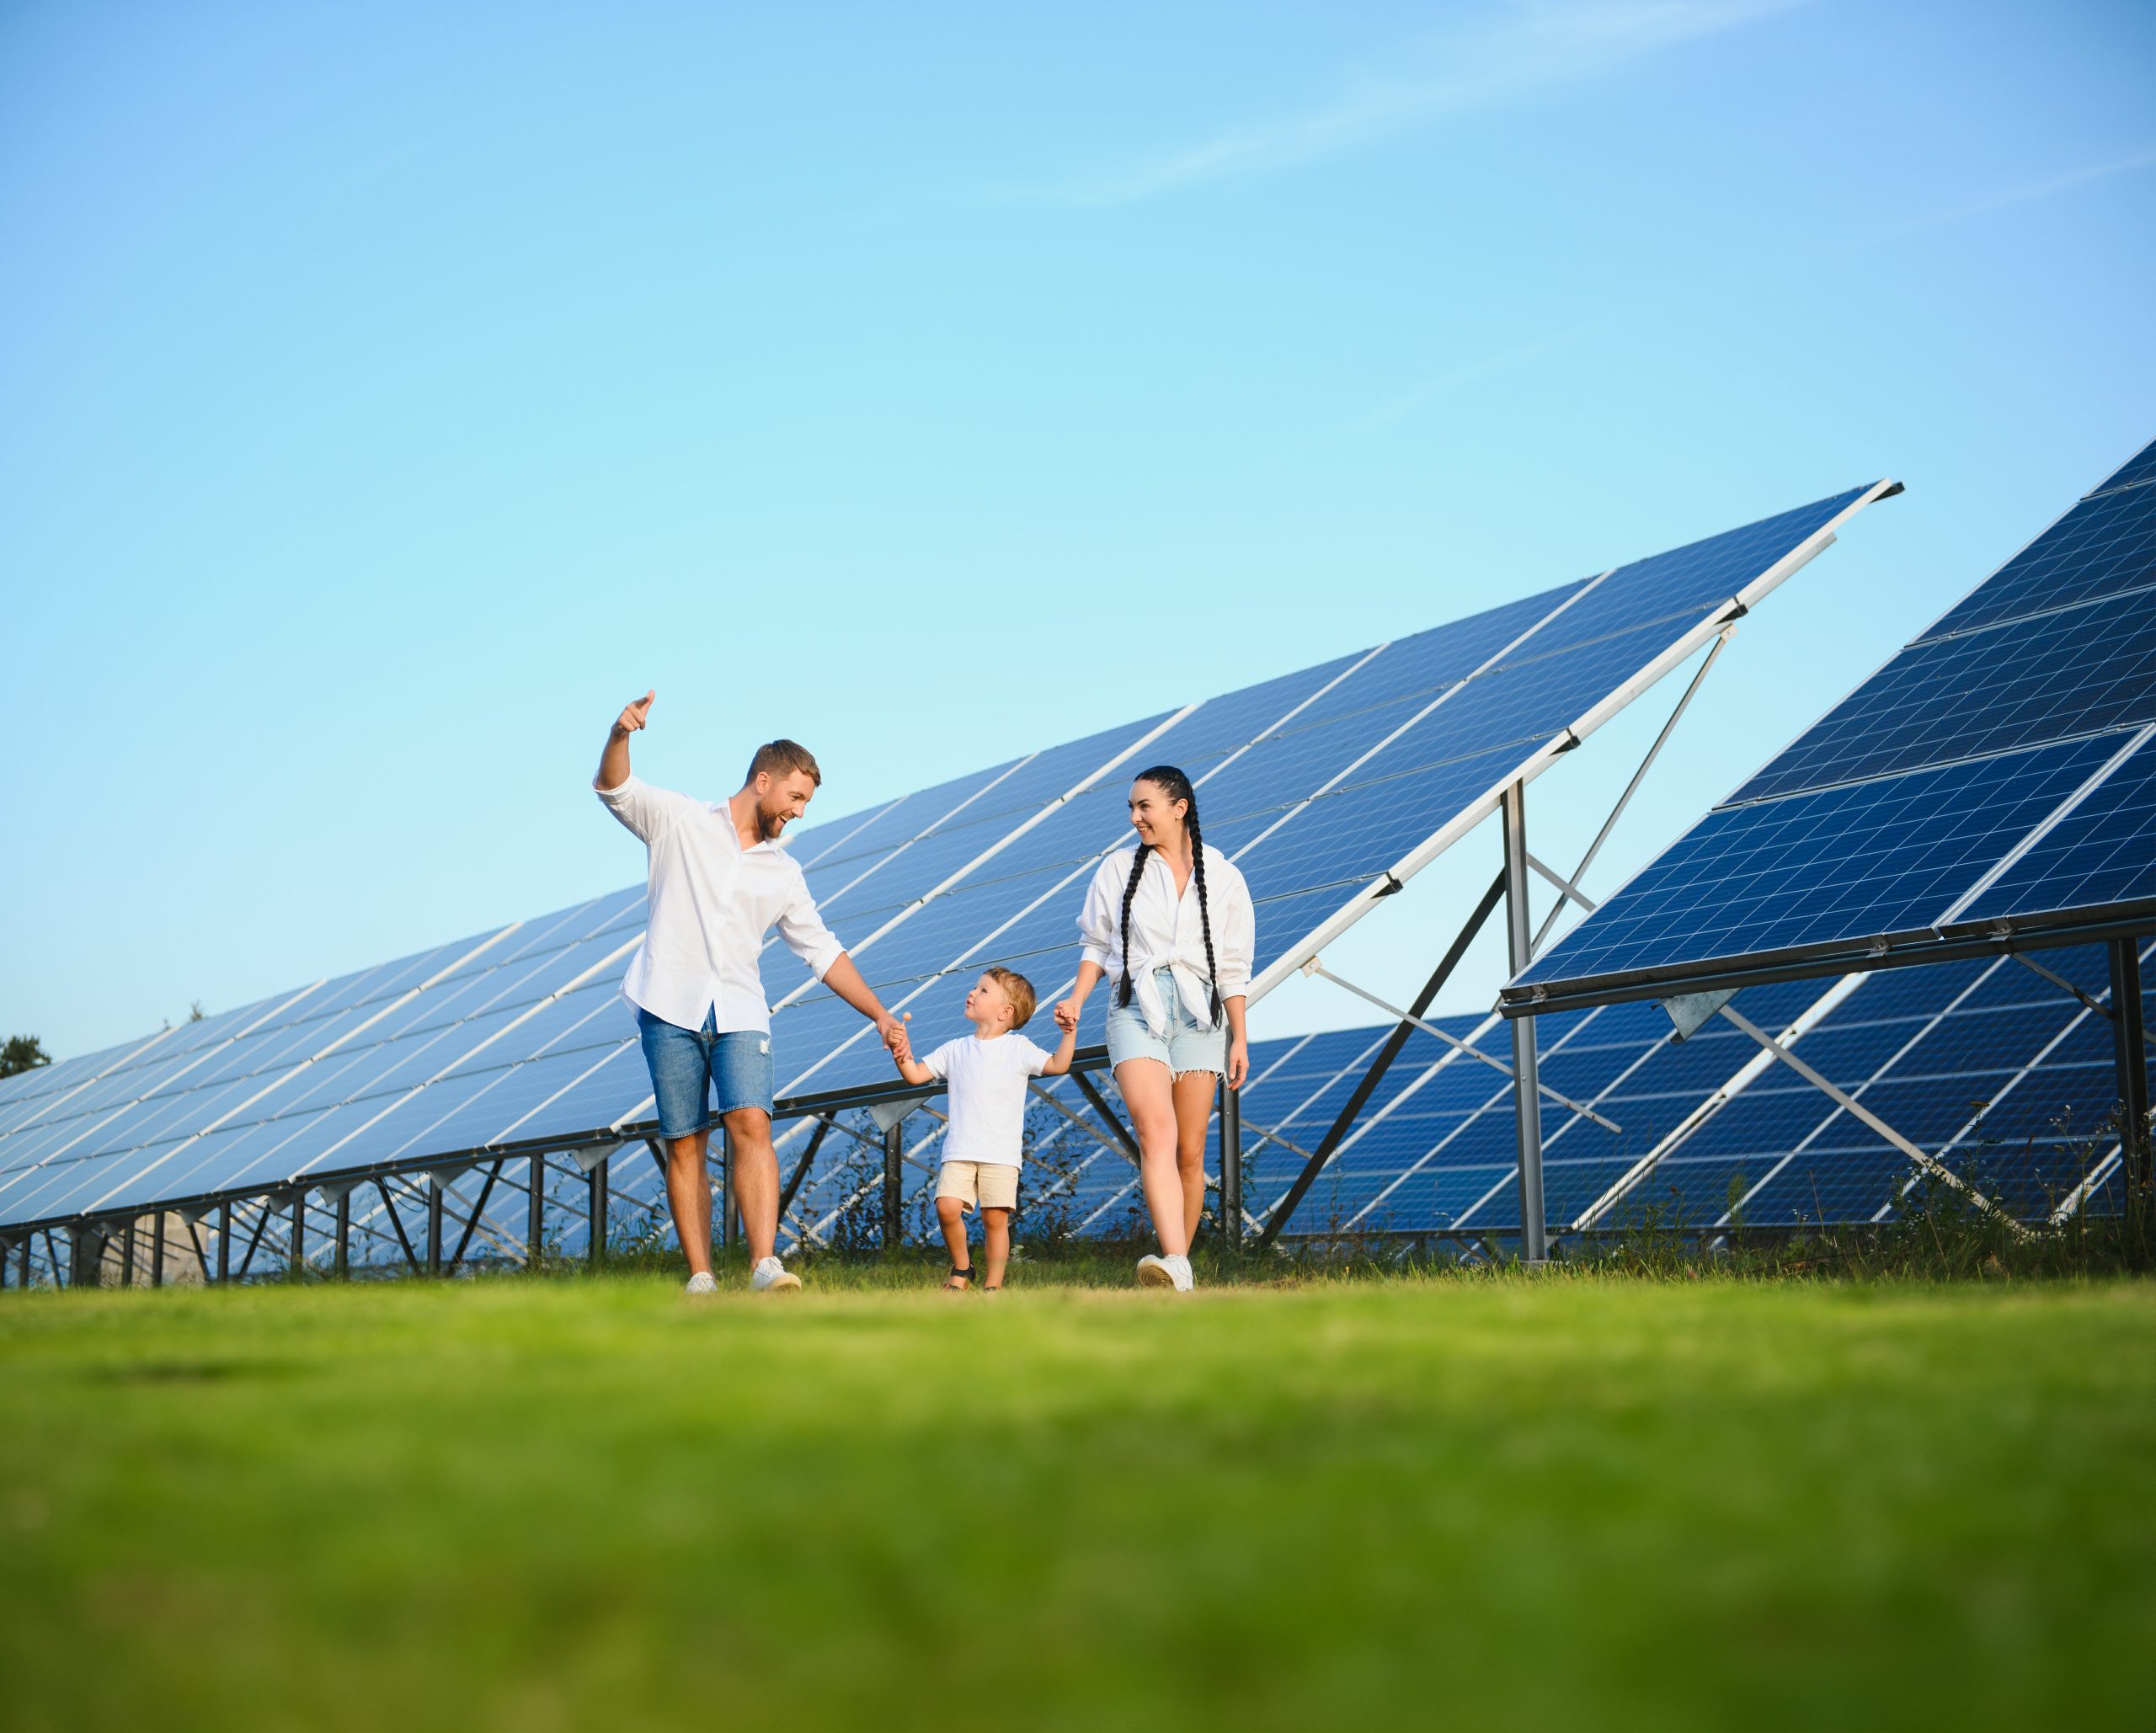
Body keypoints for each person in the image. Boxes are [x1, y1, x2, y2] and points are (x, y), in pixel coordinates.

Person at [595, 690, 905, 1294]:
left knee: (752, 1125)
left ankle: (765, 1265)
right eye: (796, 797)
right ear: (763, 780)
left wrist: (879, 1014)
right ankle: (702, 1277)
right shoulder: (680, 821)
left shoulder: (783, 872)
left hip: (740, 1011)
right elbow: (615, 789)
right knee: (685, 1143)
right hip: (668, 1005)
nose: (799, 812)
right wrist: (620, 733)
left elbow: (822, 950)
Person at [1054, 765, 1253, 1292]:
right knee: (1155, 1133)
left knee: (1190, 1150)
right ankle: (1174, 1260)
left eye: (1145, 806)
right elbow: (1096, 944)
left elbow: (1233, 966)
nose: (1135, 817)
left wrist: (1240, 1036)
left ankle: (1178, 1272)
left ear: (1179, 807)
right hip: (1135, 1008)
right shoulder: (1118, 869)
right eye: (1131, 808)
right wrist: (1076, 999)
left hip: (1202, 1016)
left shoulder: (1226, 876)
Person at [889, 968, 1075, 1292]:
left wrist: (1068, 1034)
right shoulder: (955, 1049)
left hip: (1000, 1153)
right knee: (946, 1208)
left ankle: (993, 1285)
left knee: (994, 1220)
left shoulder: (1019, 1048)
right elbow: (915, 1074)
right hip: (960, 1149)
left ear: (1006, 1013)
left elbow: (1058, 1065)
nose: (973, 993)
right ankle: (963, 1266)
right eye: (975, 987)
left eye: (984, 990)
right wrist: (901, 1051)